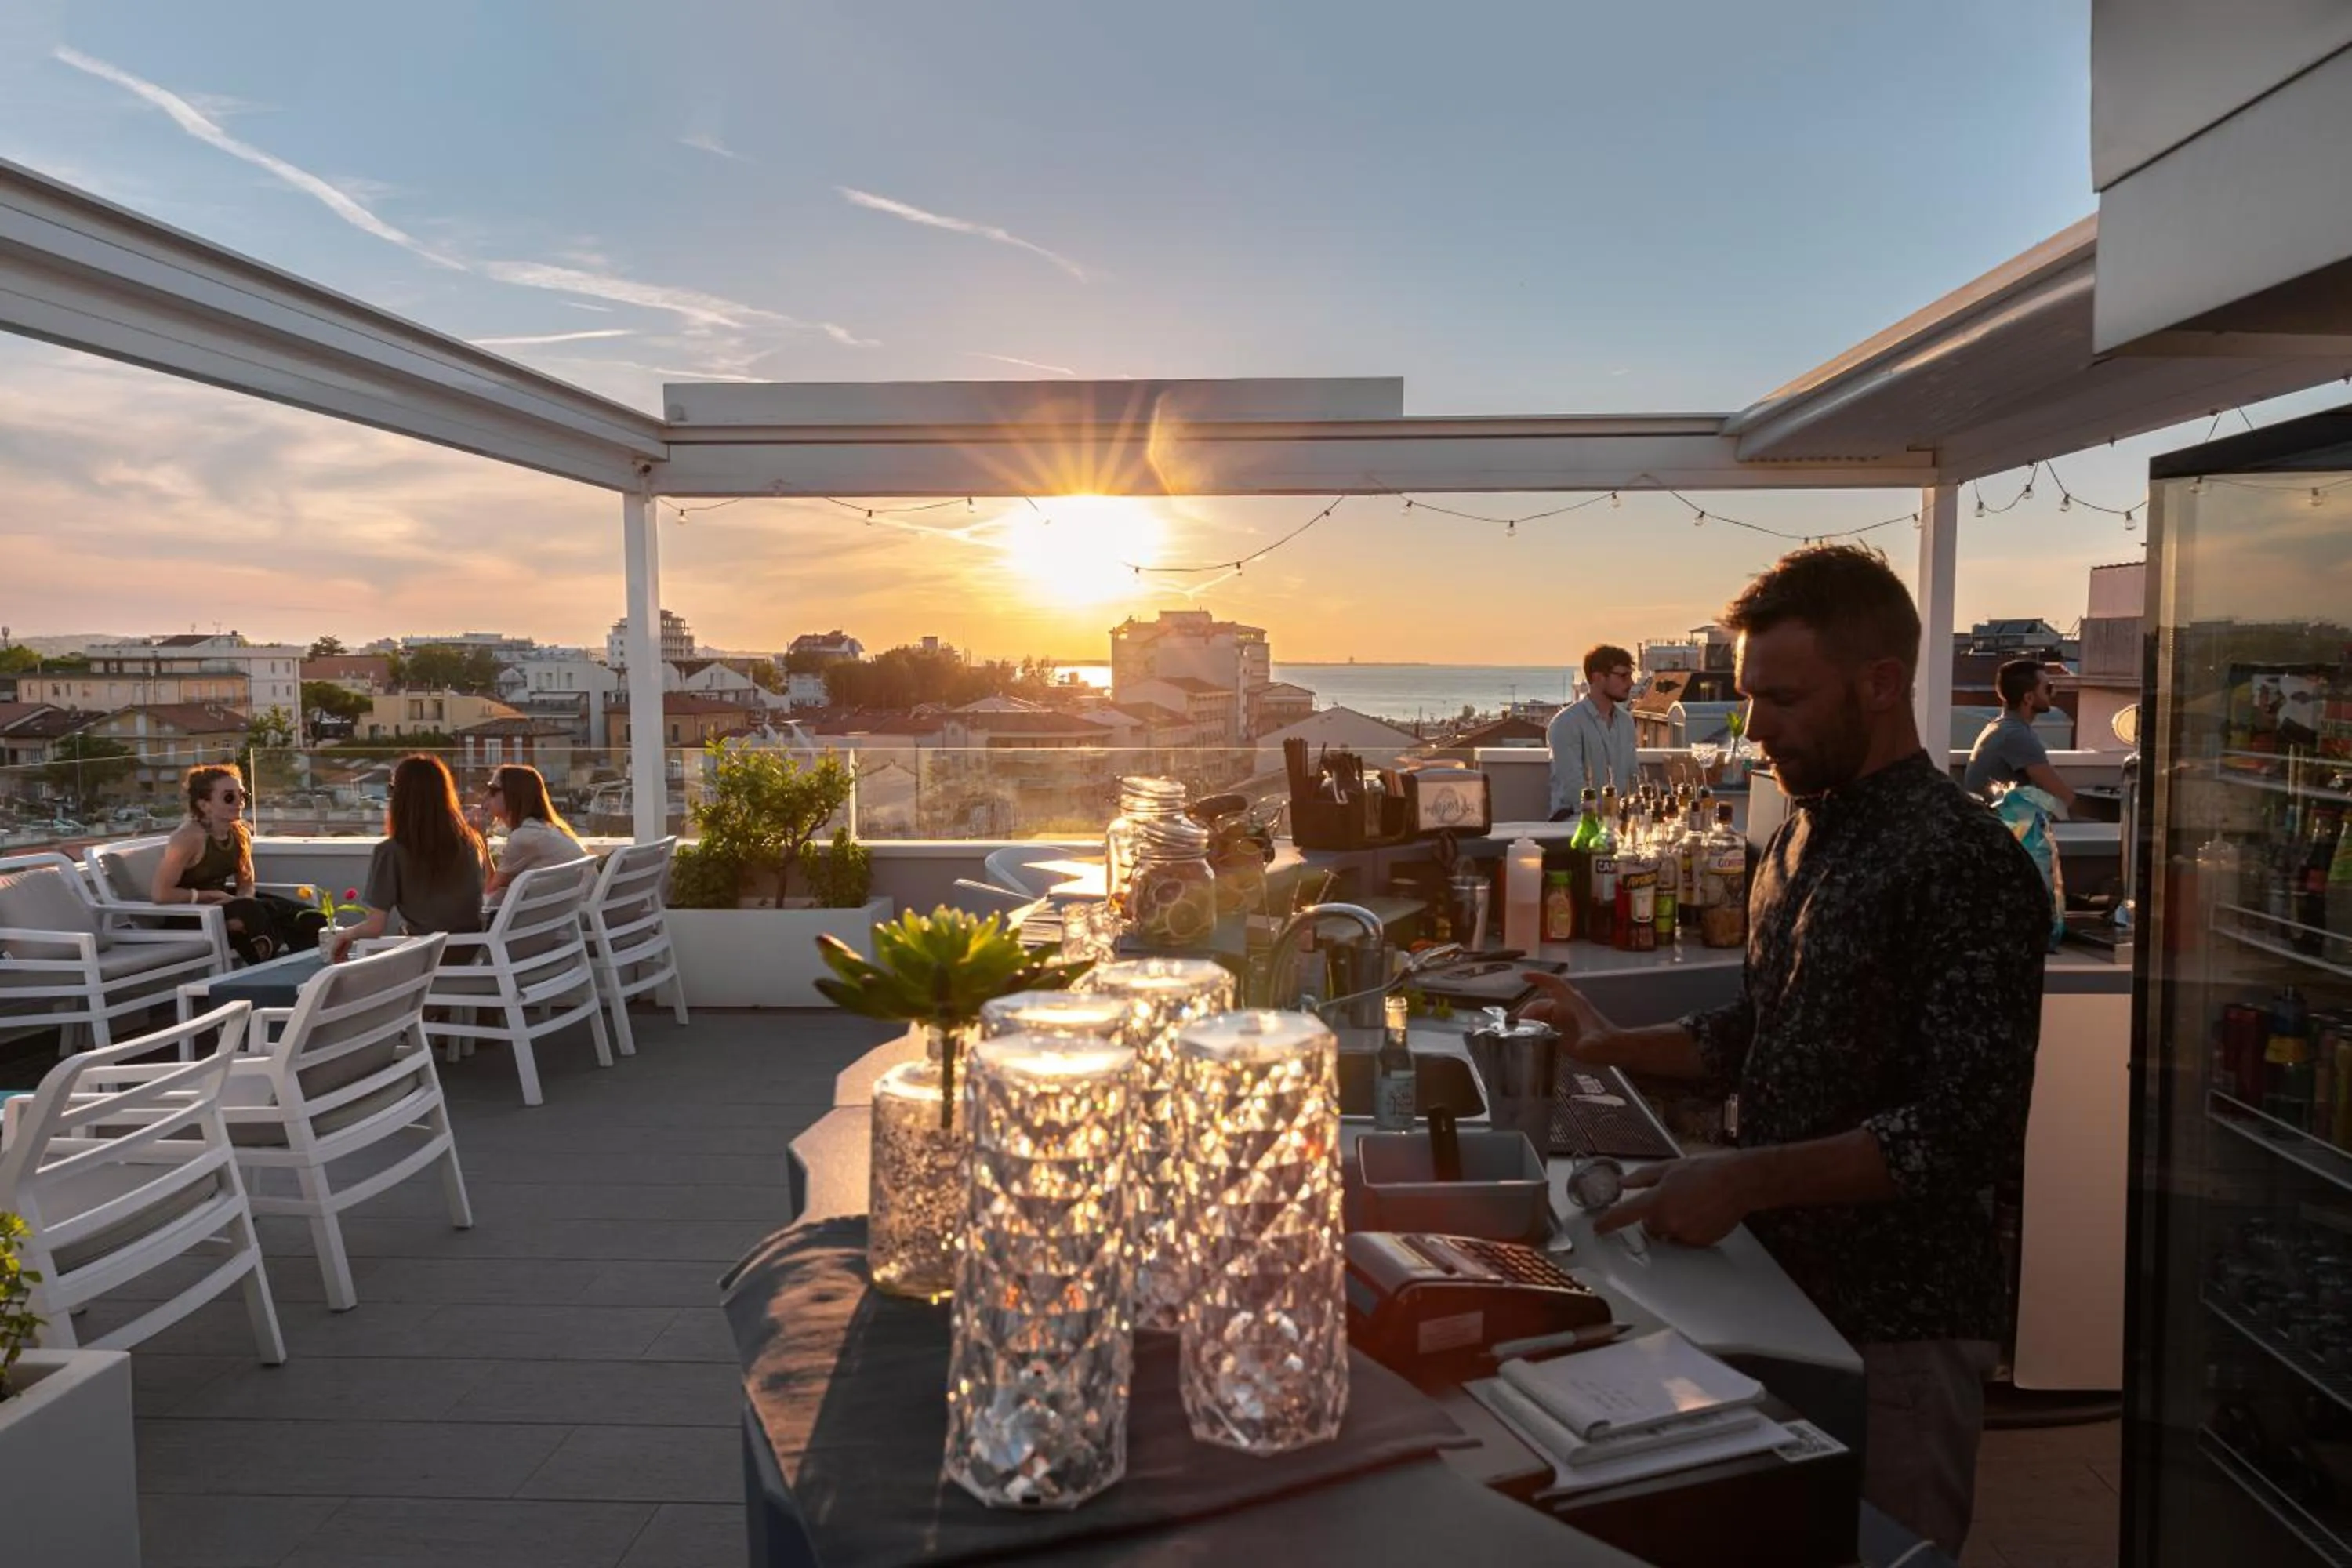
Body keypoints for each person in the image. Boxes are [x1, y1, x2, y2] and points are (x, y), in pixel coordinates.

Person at [1519, 546, 2048, 1555]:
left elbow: (1961, 1131)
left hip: (1899, 1321)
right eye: (1751, 696)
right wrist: (1608, 1038)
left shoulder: (1963, 860)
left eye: (1785, 698)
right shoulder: (1800, 834)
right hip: (1777, 1285)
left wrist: (1744, 1179)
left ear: (1882, 684)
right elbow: (1763, 1026)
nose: (1754, 728)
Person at [328, 753, 488, 961]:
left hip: (425, 958)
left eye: (392, 790)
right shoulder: (469, 842)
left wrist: (344, 935)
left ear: (400, 797)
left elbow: (374, 927)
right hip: (469, 953)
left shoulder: (391, 851)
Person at [153, 763, 285, 963]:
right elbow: (161, 894)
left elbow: (246, 884)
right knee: (255, 915)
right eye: (229, 797)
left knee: (299, 914)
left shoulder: (240, 833)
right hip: (190, 915)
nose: (239, 802)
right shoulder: (188, 837)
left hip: (226, 906)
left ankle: (313, 976)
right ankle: (267, 971)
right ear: (204, 804)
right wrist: (210, 896)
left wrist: (241, 902)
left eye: (243, 795)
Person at [1962, 658, 2075, 812]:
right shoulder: (2016, 735)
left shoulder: (2003, 727)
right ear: (2028, 698)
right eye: (2048, 689)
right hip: (2002, 827)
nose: (2054, 693)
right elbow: (2063, 796)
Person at [1548, 643, 1640, 816]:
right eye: (1623, 676)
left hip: (1616, 821)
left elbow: (1632, 777)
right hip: (1575, 822)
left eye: (1630, 676)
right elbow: (1573, 787)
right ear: (1598, 677)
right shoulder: (1566, 723)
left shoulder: (1626, 722)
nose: (1631, 683)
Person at [480, 764, 587, 906]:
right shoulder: (547, 829)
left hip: (558, 920)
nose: (485, 796)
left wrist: (480, 838)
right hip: (574, 914)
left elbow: (490, 890)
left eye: (493, 790)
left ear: (514, 795)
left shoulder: (524, 837)